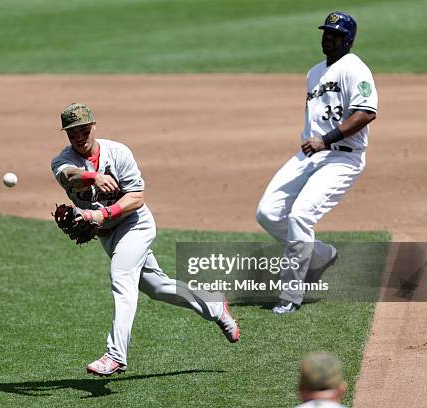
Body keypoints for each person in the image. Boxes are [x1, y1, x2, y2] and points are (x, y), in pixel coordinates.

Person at [51, 103, 240, 376]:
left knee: (121, 276)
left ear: (94, 126)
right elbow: (69, 176)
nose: (79, 137)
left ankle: (115, 355)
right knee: (158, 288)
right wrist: (94, 178)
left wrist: (103, 213)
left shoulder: (118, 153)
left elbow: (137, 198)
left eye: (83, 130)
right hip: (108, 235)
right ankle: (214, 305)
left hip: (135, 225)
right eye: (72, 134)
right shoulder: (62, 160)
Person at [255, 11, 378, 314]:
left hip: (342, 157)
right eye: (326, 32)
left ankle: (290, 295)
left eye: (335, 34)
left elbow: (366, 112)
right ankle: (320, 254)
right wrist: (318, 142)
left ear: (347, 39)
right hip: (310, 155)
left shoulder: (354, 68)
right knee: (267, 213)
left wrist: (328, 139)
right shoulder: (314, 73)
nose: (328, 38)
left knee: (300, 216)